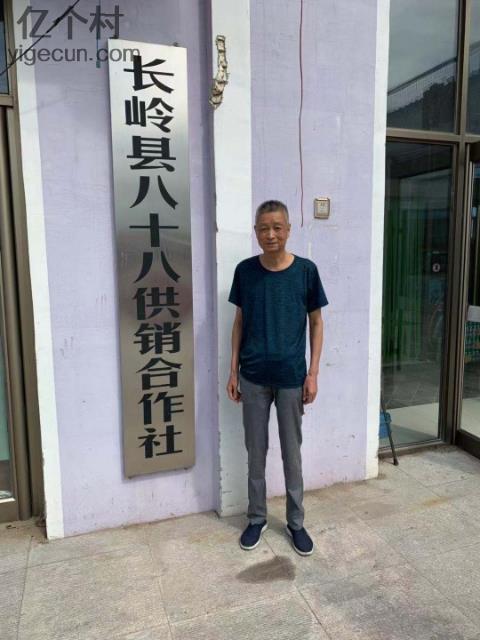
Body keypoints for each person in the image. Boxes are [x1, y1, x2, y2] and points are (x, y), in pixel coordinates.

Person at [226, 199, 328, 556]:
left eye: (277, 228)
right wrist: (233, 370)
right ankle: (256, 518)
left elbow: (316, 323)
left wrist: (313, 373)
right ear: (256, 232)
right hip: (253, 377)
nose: (270, 234)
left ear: (288, 230)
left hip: (291, 379)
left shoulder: (306, 271)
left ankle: (296, 522)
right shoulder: (245, 271)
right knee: (255, 452)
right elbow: (239, 322)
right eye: (263, 228)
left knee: (291, 453)